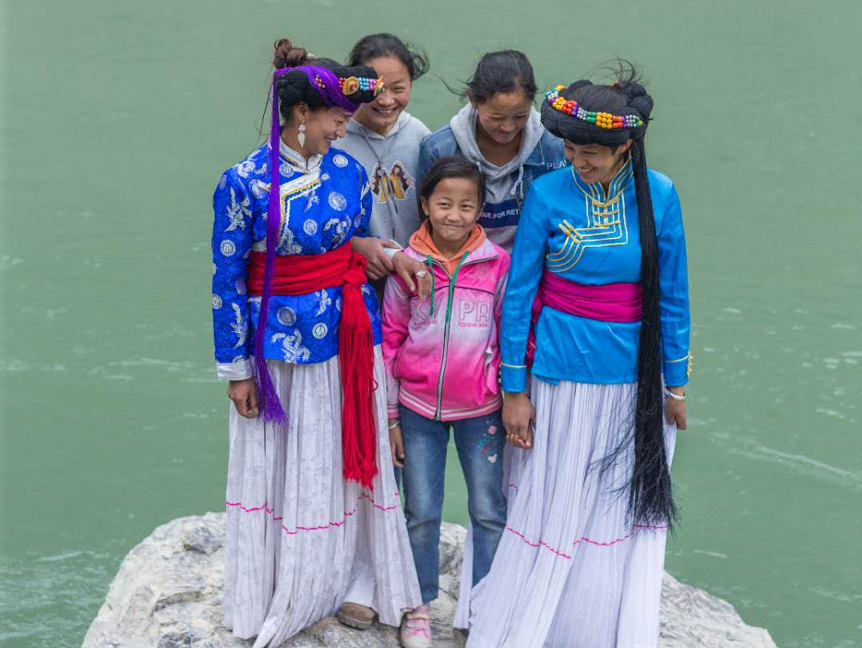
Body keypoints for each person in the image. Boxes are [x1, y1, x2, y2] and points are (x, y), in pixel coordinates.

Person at [465, 67, 691, 648]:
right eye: (569, 148)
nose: (576, 160)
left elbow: (672, 296)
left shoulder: (660, 195)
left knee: (611, 509)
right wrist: (514, 390)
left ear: (625, 148)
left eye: (590, 152)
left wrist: (675, 385)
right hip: (558, 375)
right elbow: (519, 296)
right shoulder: (548, 193)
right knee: (552, 502)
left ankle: (592, 628)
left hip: (630, 381)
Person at [211, 39, 422, 648]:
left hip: (348, 337)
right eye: (336, 118)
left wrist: (385, 252)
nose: (343, 128)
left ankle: (347, 576)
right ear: (301, 113)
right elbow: (227, 279)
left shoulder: (347, 171)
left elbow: (351, 240)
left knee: (338, 461)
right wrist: (237, 369)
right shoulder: (243, 183)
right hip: (277, 349)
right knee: (282, 466)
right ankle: (283, 583)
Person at [382, 156, 510, 648]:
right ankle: (418, 605)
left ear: (480, 210)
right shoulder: (407, 266)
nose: (454, 215)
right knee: (421, 510)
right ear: (425, 204)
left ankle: (485, 605)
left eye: (466, 205)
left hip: (482, 409)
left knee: (488, 510)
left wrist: (506, 390)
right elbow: (390, 339)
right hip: (416, 409)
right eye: (444, 204)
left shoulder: (496, 265)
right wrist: (391, 417)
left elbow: (510, 330)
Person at [417, 50, 567, 253]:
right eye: (496, 117)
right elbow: (426, 226)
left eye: (520, 116)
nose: (508, 127)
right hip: (461, 268)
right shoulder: (438, 150)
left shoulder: (555, 146)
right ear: (473, 99)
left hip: (532, 266)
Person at [337, 33, 432, 291]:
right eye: (375, 89)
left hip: (416, 280)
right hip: (358, 285)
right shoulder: (335, 140)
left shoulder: (421, 137)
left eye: (398, 89)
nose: (386, 100)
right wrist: (356, 246)